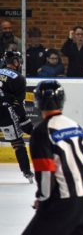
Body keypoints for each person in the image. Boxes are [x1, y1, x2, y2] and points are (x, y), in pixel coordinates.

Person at [23, 80, 83, 235]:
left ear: (38, 102)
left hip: (64, 202)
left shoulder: (42, 131)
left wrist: (43, 200)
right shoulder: (75, 126)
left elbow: (45, 171)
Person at [0, 51, 34, 183]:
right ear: (15, 62)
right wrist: (25, 121)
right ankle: (27, 172)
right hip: (5, 111)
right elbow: (17, 104)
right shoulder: (19, 78)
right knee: (17, 143)